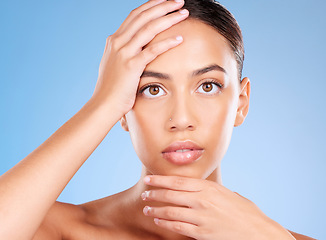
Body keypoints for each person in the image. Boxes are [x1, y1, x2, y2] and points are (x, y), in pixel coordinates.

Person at [0, 0, 316, 239]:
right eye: (152, 89)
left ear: (240, 103)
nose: (180, 119)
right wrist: (102, 104)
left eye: (208, 86)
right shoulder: (61, 231)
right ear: (124, 108)